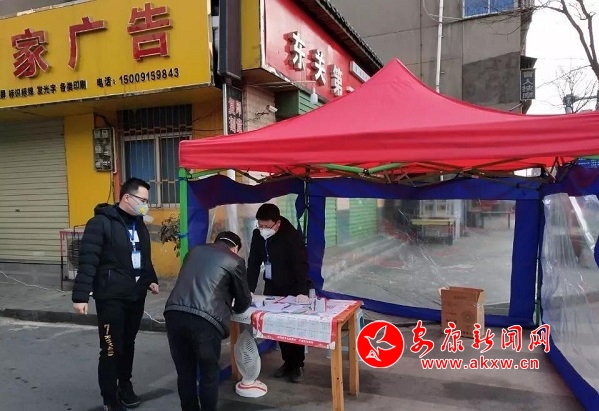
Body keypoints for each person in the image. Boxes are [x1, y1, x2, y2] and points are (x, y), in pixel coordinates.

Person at [72, 178, 159, 411]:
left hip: (135, 295)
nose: (146, 205)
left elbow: (143, 256)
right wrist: (80, 296)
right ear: (127, 198)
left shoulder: (139, 223)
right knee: (111, 347)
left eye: (147, 201)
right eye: (143, 200)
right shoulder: (100, 223)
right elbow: (88, 259)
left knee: (128, 344)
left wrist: (150, 279)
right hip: (111, 297)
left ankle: (125, 386)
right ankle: (110, 399)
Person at [164, 231, 252, 411]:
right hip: (205, 322)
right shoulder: (234, 260)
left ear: (216, 241)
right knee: (209, 374)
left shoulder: (194, 251)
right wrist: (233, 309)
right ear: (235, 248)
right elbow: (243, 300)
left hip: (174, 314)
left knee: (185, 372)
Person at [247, 203, 312, 383]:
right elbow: (253, 263)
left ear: (277, 223)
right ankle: (287, 363)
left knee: (293, 326)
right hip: (272, 285)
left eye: (266, 226)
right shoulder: (258, 235)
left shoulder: (291, 236)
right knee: (277, 325)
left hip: (293, 287)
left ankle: (297, 364)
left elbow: (300, 265)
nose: (263, 229)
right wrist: (248, 289)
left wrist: (302, 291)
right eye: (260, 225)